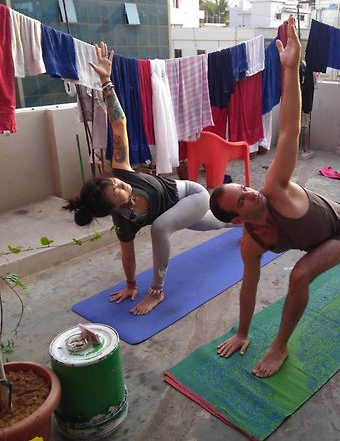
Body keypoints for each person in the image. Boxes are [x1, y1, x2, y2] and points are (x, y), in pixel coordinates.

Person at [209, 16, 340, 378]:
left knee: (301, 274)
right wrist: (242, 331)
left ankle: (280, 346)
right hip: (321, 238)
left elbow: (289, 131)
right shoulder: (251, 242)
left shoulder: (273, 188)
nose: (249, 192)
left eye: (243, 188)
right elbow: (249, 286)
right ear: (238, 221)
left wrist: (291, 70)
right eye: (241, 200)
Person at [64, 42, 229, 316]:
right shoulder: (124, 222)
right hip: (178, 212)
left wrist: (106, 80)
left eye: (114, 183)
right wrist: (130, 284)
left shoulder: (121, 169)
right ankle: (247, 223)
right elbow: (127, 254)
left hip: (192, 194)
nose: (121, 185)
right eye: (117, 192)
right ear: (114, 208)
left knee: (159, 228)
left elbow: (119, 124)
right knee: (219, 224)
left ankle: (157, 292)